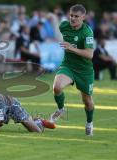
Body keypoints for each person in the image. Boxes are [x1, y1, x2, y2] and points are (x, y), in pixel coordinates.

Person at [49, 4, 95, 136]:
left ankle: (89, 123)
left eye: (76, 16)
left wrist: (71, 48)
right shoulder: (64, 26)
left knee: (87, 101)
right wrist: (53, 18)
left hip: (84, 70)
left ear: (83, 17)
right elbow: (58, 29)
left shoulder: (87, 32)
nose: (73, 18)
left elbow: (89, 54)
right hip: (68, 66)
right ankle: (61, 109)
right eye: (71, 15)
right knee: (57, 87)